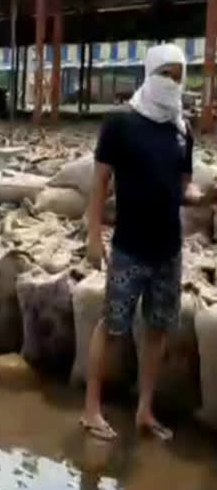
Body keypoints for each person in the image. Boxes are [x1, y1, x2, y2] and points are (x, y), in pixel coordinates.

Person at [80, 44, 215, 441]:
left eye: (178, 75)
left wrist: (206, 198)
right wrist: (92, 236)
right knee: (113, 327)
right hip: (128, 248)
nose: (172, 83)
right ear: (149, 73)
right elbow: (99, 185)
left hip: (168, 251)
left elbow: (183, 190)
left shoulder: (181, 130)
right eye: (165, 74)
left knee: (157, 330)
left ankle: (144, 411)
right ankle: (91, 409)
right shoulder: (120, 124)